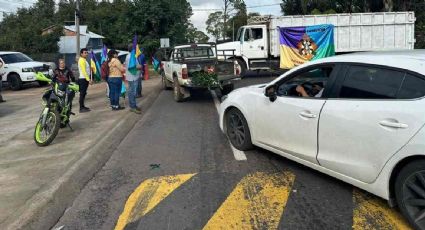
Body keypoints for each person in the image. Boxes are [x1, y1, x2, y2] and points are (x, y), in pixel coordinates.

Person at [125, 44, 142, 114]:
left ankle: (134, 105)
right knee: (132, 93)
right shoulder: (130, 57)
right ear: (133, 49)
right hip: (132, 77)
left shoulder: (131, 56)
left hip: (133, 77)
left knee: (132, 92)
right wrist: (140, 67)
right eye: (135, 48)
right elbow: (132, 67)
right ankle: (132, 107)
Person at [78, 48, 92, 113]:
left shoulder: (84, 60)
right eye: (85, 53)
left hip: (84, 79)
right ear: (81, 54)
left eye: (87, 52)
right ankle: (81, 108)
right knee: (82, 94)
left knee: (83, 94)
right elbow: (84, 71)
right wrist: (88, 79)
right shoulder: (81, 60)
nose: (86, 54)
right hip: (83, 79)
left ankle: (83, 106)